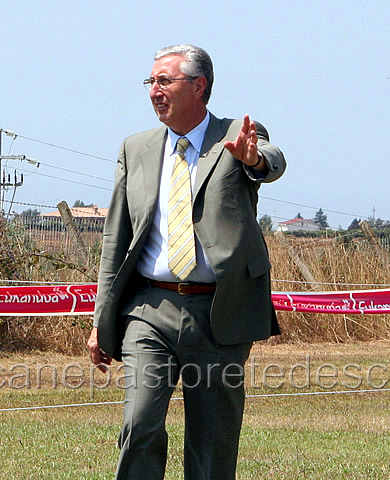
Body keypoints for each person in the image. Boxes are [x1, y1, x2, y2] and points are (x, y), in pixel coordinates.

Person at [87, 44, 286, 480]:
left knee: (211, 441)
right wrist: (102, 320)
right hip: (148, 309)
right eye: (151, 82)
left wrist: (252, 159)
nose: (154, 91)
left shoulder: (236, 135)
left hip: (219, 311)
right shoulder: (135, 148)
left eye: (164, 81)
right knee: (139, 422)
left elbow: (271, 161)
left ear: (199, 86)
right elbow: (115, 239)